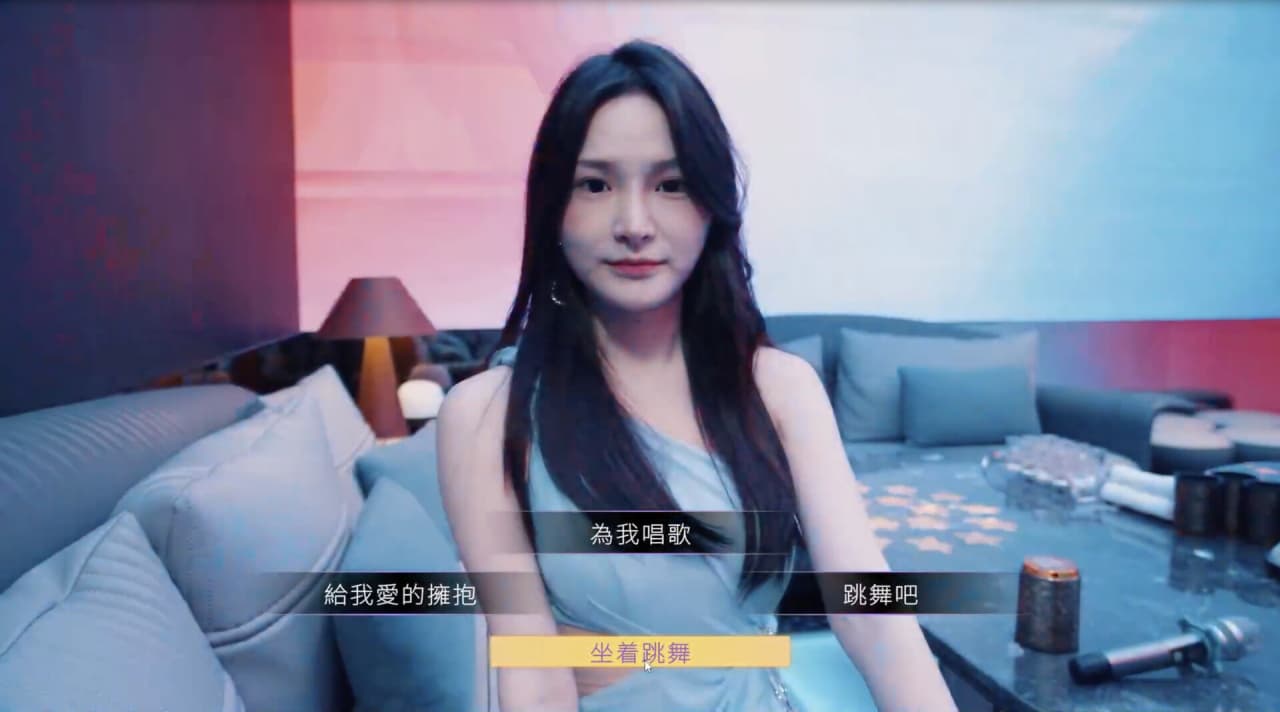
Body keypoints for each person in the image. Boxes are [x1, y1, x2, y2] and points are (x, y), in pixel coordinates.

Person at [437, 39, 959, 712]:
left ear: (710, 206)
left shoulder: (780, 389)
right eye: (595, 185)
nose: (634, 224)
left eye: (671, 184)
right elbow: (534, 675)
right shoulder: (485, 416)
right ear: (552, 209)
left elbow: (869, 613)